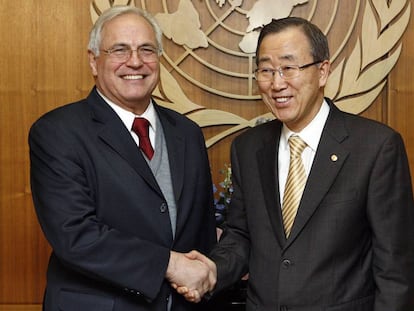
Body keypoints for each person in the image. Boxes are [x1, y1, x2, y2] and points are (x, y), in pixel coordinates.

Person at [179, 17, 414, 310]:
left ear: (323, 71)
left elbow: (395, 269)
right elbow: (240, 235)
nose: (277, 83)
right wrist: (211, 271)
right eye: (266, 70)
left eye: (289, 68)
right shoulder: (248, 148)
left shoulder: (376, 147)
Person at [29, 5, 217, 311]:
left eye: (146, 49)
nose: (135, 61)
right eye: (120, 49)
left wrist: (208, 274)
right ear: (94, 60)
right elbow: (75, 236)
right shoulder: (56, 132)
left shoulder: (188, 132)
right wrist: (169, 265)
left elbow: (202, 231)